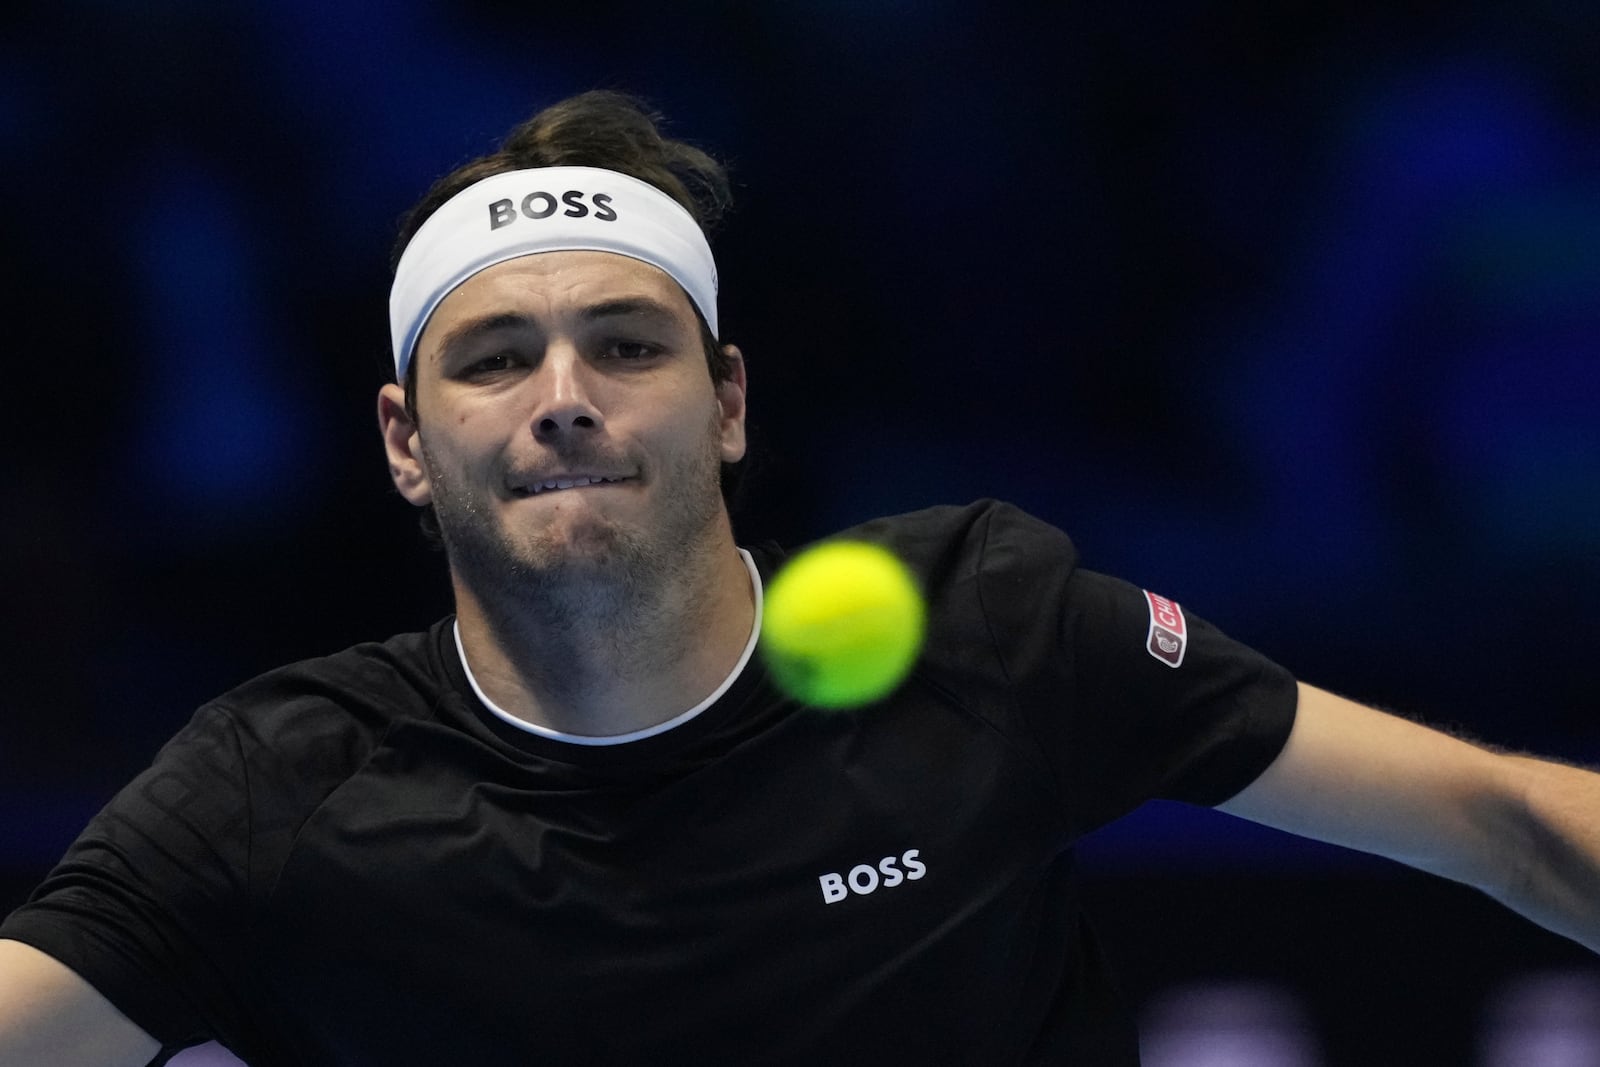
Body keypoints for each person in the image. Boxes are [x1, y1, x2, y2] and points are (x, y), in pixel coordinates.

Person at [2, 89, 1598, 1067]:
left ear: (732, 401)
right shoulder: (276, 789)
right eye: (495, 358)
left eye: (626, 345)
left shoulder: (981, 632)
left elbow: (1506, 821)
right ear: (407, 443)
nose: (565, 390)